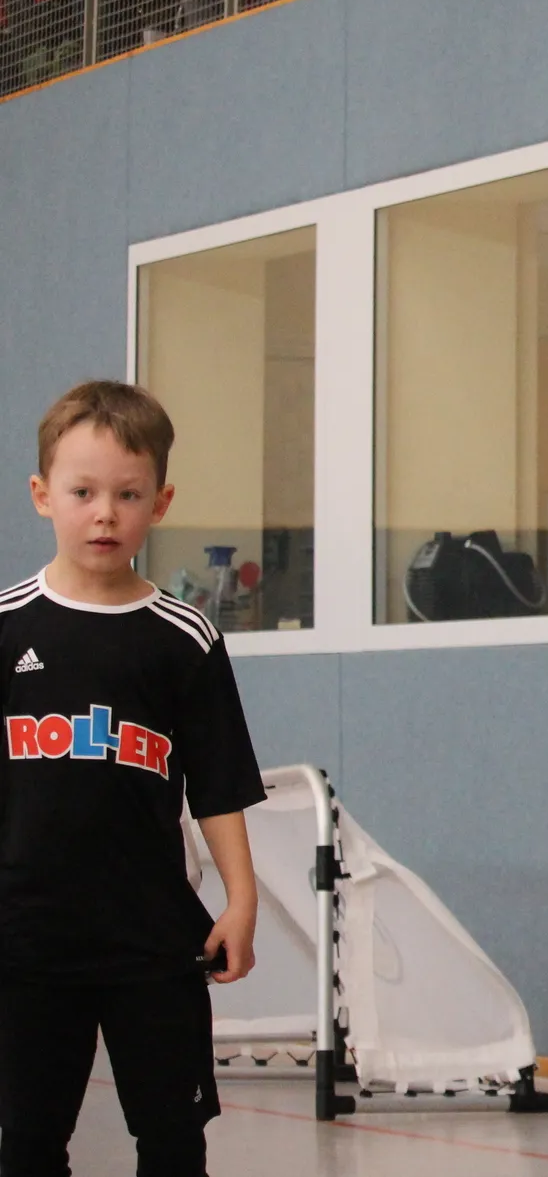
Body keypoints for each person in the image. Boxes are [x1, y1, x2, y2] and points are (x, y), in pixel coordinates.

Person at [0, 380, 267, 1177]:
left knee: (174, 1141)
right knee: (29, 1143)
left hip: (152, 942)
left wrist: (242, 901)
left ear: (161, 502)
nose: (104, 514)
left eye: (128, 494)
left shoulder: (185, 637)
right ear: (43, 494)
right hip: (26, 939)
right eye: (82, 492)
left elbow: (219, 784)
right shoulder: (8, 625)